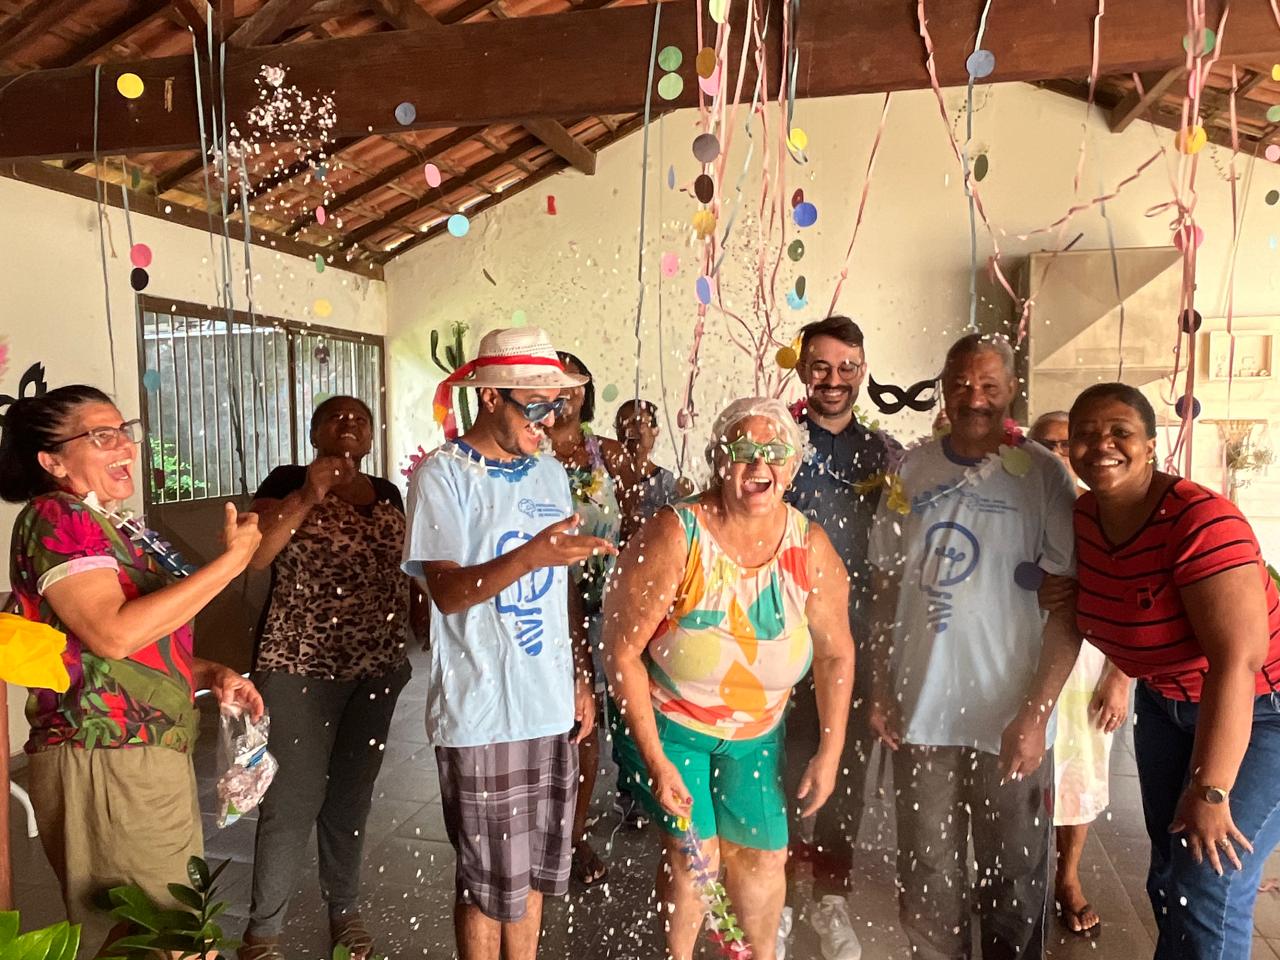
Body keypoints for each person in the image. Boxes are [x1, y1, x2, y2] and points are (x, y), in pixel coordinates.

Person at [1, 385, 263, 951]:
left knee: (166, 930)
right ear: (52, 461)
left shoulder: (111, 523)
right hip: (106, 751)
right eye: (102, 436)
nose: (125, 446)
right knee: (160, 938)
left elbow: (130, 645)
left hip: (141, 750)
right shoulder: (57, 516)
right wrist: (233, 562)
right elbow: (113, 635)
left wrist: (207, 673)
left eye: (125, 431)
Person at [604, 396, 855, 960]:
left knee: (765, 856)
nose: (759, 464)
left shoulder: (810, 546)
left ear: (793, 466)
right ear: (720, 460)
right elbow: (620, 652)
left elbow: (836, 654)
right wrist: (655, 759)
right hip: (670, 726)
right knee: (697, 858)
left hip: (756, 733)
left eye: (775, 452)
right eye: (743, 450)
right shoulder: (674, 535)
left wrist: (831, 749)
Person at [401, 327, 615, 960]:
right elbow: (446, 593)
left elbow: (560, 585)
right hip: (482, 710)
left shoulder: (549, 473)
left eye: (557, 405)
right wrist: (529, 556)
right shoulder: (443, 476)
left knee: (535, 875)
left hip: (547, 704)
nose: (548, 420)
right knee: (485, 883)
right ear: (490, 396)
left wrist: (579, 674)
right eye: (536, 405)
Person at [867, 334, 1082, 960]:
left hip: (1010, 718)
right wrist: (880, 687)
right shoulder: (911, 469)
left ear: (1012, 388)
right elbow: (884, 585)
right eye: (961, 384)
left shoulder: (1044, 475)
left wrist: (1036, 714)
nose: (975, 398)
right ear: (943, 387)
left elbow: (1068, 606)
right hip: (921, 714)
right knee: (926, 873)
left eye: (989, 385)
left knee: (1014, 874)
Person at [1065, 383, 1280, 960]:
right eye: (1085, 434)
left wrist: (1212, 789)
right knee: (1169, 871)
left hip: (1263, 709)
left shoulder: (1202, 521)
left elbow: (1237, 662)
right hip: (1165, 702)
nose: (1101, 444)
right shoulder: (1085, 517)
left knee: (1209, 879)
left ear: (1151, 445)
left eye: (1120, 432)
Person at [239, 396, 415, 960]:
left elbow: (405, 569)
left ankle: (345, 910)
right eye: (336, 417)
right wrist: (308, 495)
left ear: (371, 436)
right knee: (291, 799)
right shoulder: (286, 481)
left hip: (376, 667)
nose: (349, 424)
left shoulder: (387, 493)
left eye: (360, 418)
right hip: (299, 665)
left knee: (350, 799)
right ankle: (262, 932)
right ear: (314, 432)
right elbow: (256, 556)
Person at [782, 315, 896, 956]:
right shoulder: (777, 438)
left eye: (847, 367)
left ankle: (830, 896)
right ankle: (774, 895)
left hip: (853, 644)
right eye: (821, 366)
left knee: (845, 777)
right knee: (774, 774)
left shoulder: (884, 456)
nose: (834, 379)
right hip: (775, 640)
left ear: (862, 371)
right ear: (803, 369)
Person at [1028, 410, 1131, 939]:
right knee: (1016, 769)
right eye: (1045, 445)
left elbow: (1132, 599)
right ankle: (1014, 873)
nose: (1056, 455)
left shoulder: (1105, 513)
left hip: (1090, 665)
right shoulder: (1017, 506)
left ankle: (1067, 877)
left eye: (1066, 445)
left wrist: (1121, 676)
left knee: (1078, 771)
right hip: (1019, 658)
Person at [548, 351, 625, 886]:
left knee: (584, 724)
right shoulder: (524, 451)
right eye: (551, 381)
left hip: (599, 609)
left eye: (572, 382)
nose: (562, 392)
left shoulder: (609, 454)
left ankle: (573, 837)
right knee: (538, 723)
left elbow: (637, 526)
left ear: (586, 391)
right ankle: (536, 834)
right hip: (540, 607)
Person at [613, 398, 678, 545]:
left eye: (637, 423)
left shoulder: (667, 483)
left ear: (655, 430)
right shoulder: (607, 478)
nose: (628, 431)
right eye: (622, 425)